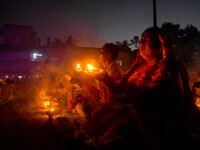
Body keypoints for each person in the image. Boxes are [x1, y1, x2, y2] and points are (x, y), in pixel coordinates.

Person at [87, 27, 200, 150]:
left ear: (160, 46)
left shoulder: (169, 65)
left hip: (158, 119)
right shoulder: (138, 67)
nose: (141, 43)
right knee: (99, 112)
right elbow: (120, 90)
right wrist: (107, 80)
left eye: (147, 40)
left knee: (133, 116)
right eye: (141, 40)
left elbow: (157, 95)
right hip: (131, 107)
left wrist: (126, 98)